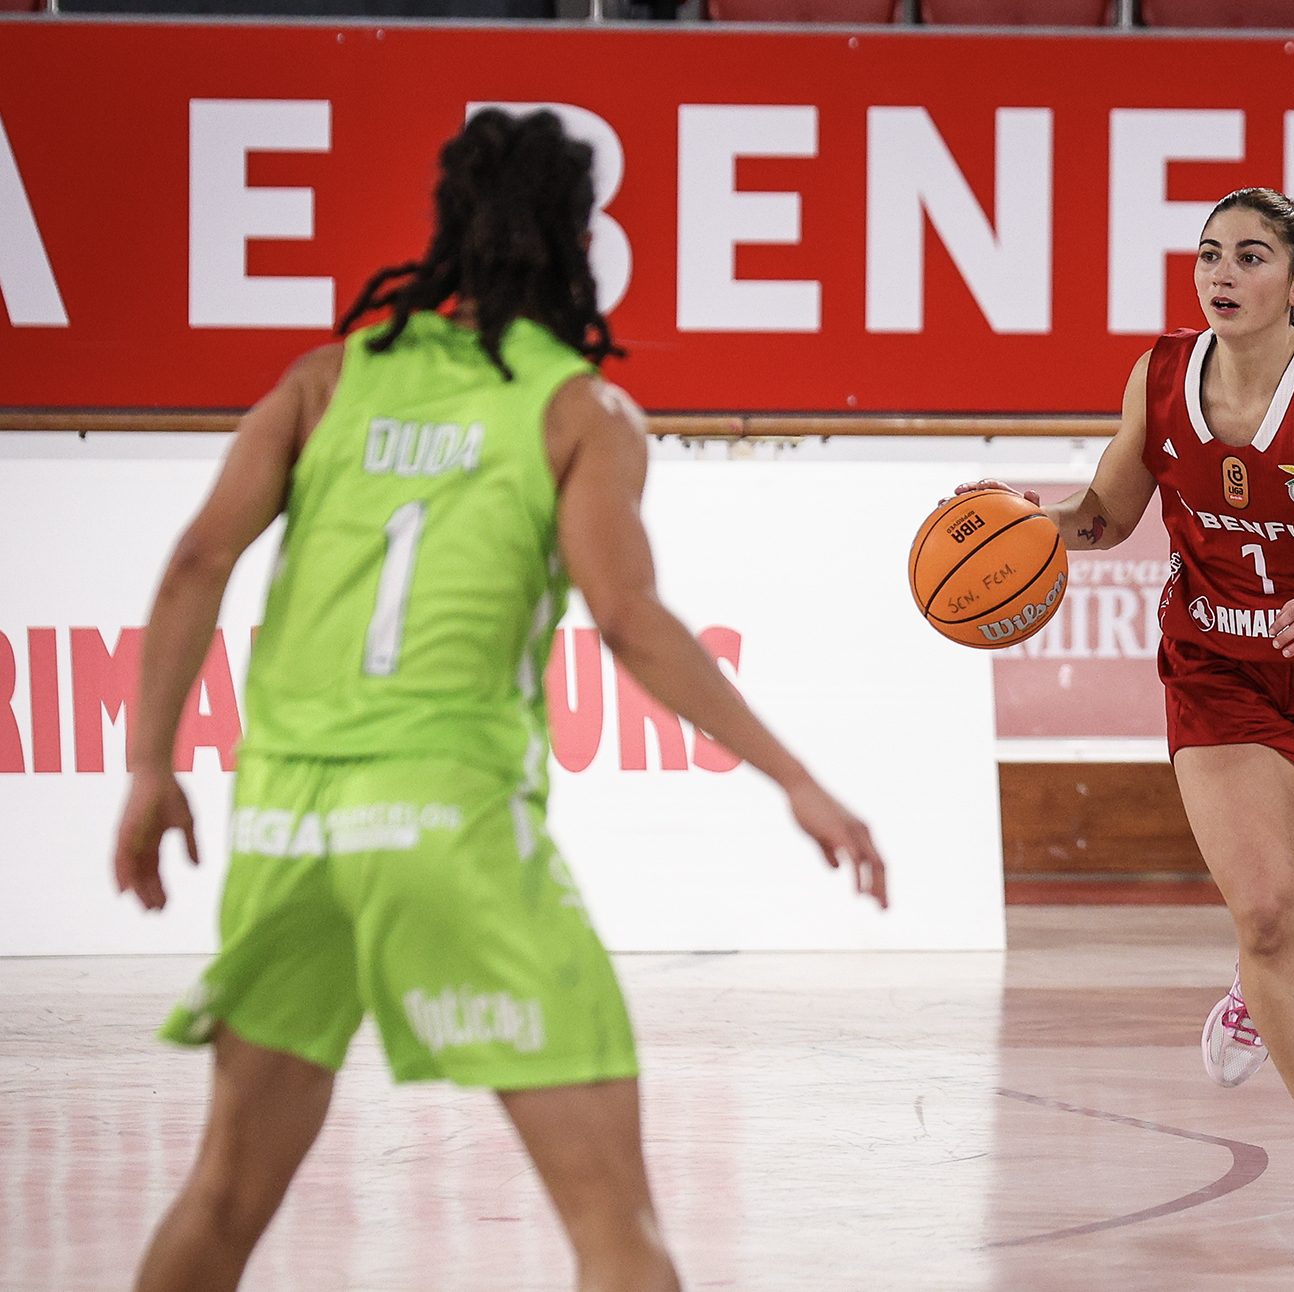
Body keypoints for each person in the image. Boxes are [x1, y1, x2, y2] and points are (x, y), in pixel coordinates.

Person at [110, 109, 883, 1292]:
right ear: (580, 241)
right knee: (616, 1226)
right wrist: (797, 778)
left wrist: (148, 765)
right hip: (448, 822)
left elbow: (192, 561)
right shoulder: (580, 411)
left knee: (221, 1195)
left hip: (284, 824)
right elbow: (627, 617)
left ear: (446, 230)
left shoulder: (325, 380)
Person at [962, 189, 1294, 1252]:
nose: (1221, 273)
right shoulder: (1160, 376)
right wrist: (1026, 527)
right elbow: (1108, 515)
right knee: (1269, 915)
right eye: (1209, 253)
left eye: (1250, 256)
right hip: (1218, 670)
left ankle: (1257, 998)